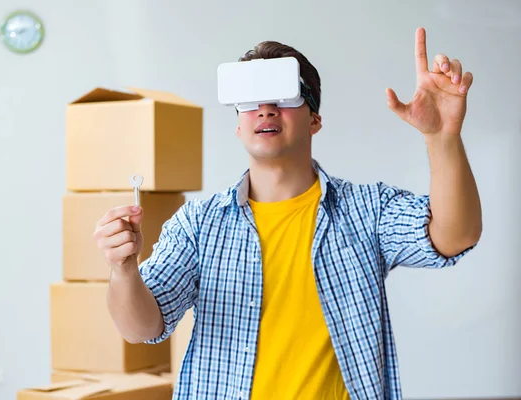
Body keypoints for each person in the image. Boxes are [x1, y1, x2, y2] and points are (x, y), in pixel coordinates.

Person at [92, 27, 481, 400]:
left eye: (284, 96)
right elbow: (141, 327)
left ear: (315, 119)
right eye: (250, 100)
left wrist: (442, 137)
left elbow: (454, 236)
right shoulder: (197, 225)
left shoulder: (367, 210)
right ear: (238, 126)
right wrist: (124, 269)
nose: (265, 109)